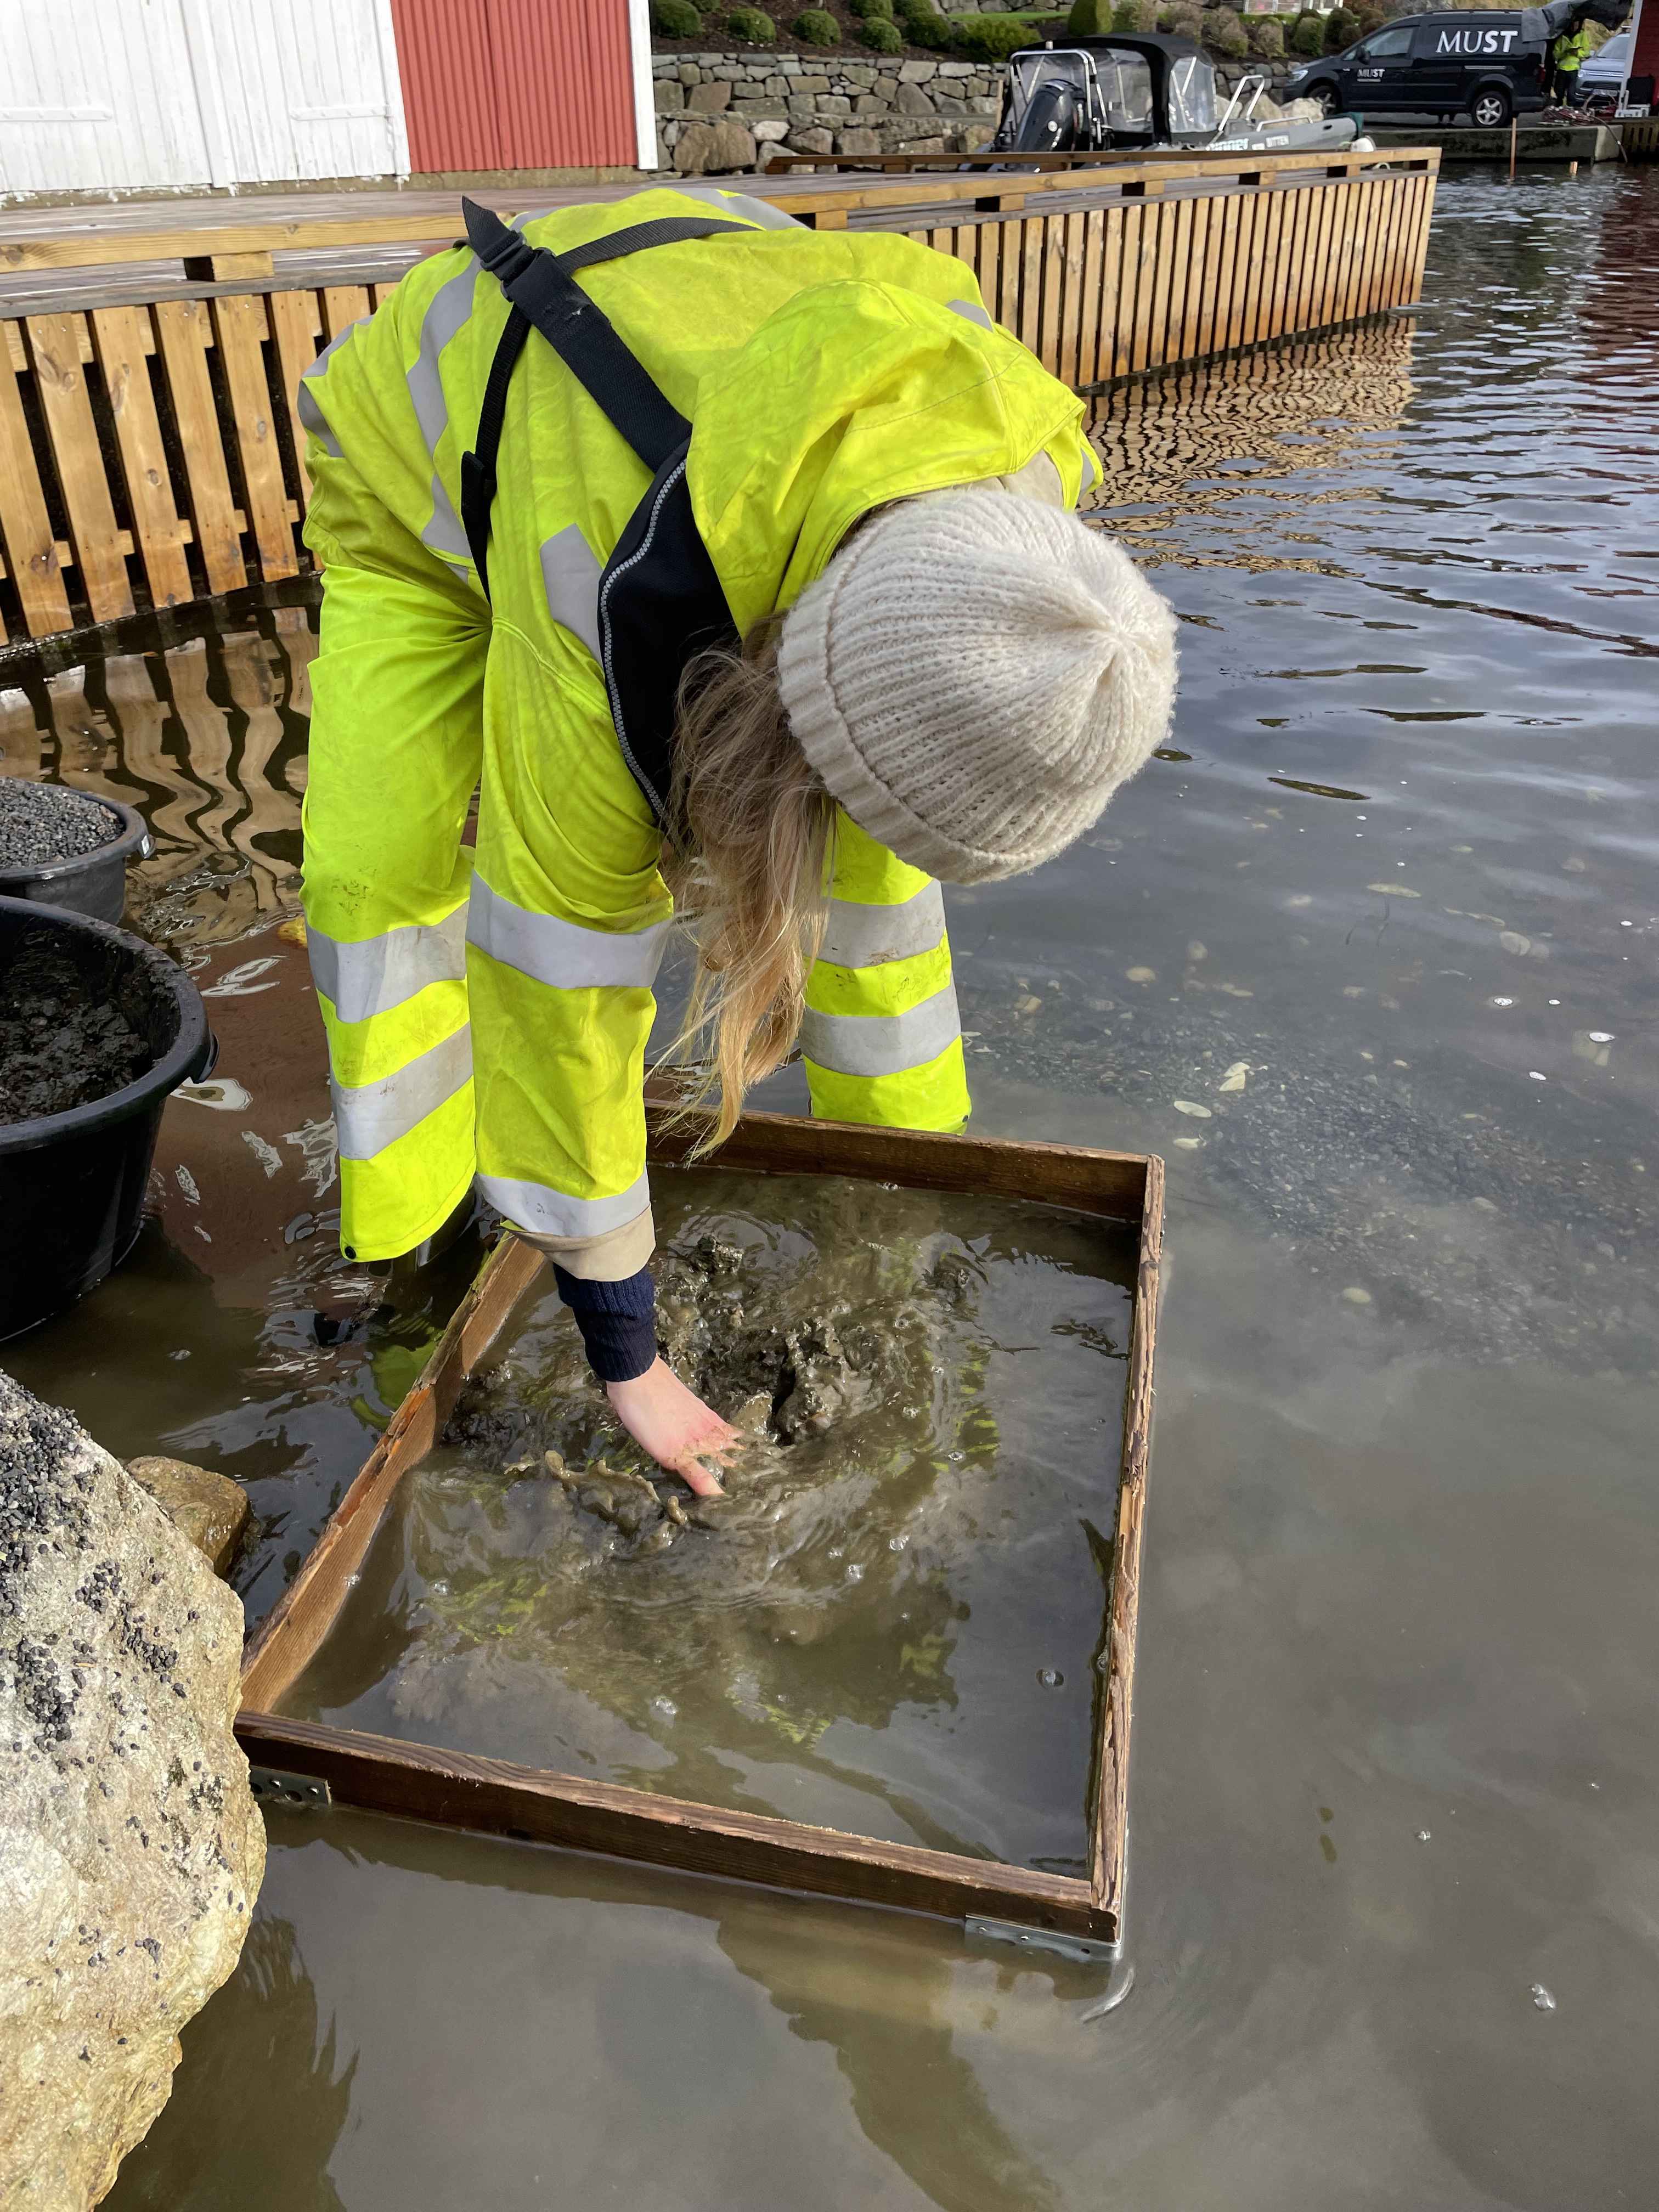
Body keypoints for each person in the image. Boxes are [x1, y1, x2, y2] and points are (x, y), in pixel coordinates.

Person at [297, 183, 1178, 1493]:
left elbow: (885, 847)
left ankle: (896, 1197)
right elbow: (560, 987)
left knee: (875, 893)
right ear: (781, 680)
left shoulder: (1023, 512)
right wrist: (627, 1353)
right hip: (436, 479)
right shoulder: (600, 588)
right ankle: (410, 1233)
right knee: (380, 867)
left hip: (738, 390)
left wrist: (903, 1238)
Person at [1551, 14, 1594, 104]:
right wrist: (1565, 53)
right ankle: (1558, 109)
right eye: (1572, 25)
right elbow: (1555, 54)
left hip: (1574, 69)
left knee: (1571, 94)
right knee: (1559, 92)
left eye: (1576, 25)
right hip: (1562, 69)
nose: (1574, 28)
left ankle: (1570, 110)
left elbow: (1587, 52)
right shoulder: (1562, 37)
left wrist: (1577, 53)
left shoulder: (1582, 36)